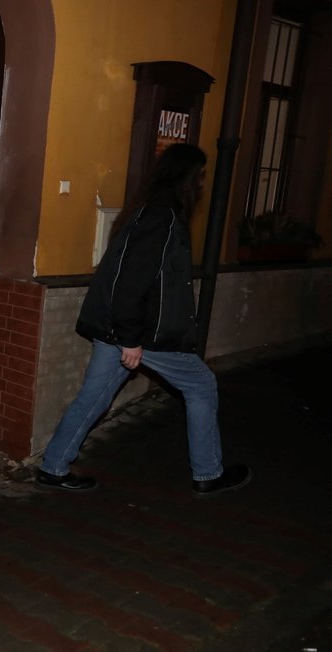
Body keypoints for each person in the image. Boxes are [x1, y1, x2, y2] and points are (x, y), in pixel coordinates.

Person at [36, 143, 251, 496]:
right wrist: (131, 339)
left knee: (94, 397)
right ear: (184, 177)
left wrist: (124, 334)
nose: (200, 184)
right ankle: (208, 472)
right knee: (201, 386)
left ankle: (52, 466)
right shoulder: (161, 218)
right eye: (198, 176)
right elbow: (132, 282)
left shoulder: (145, 211)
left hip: (119, 328)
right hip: (142, 332)